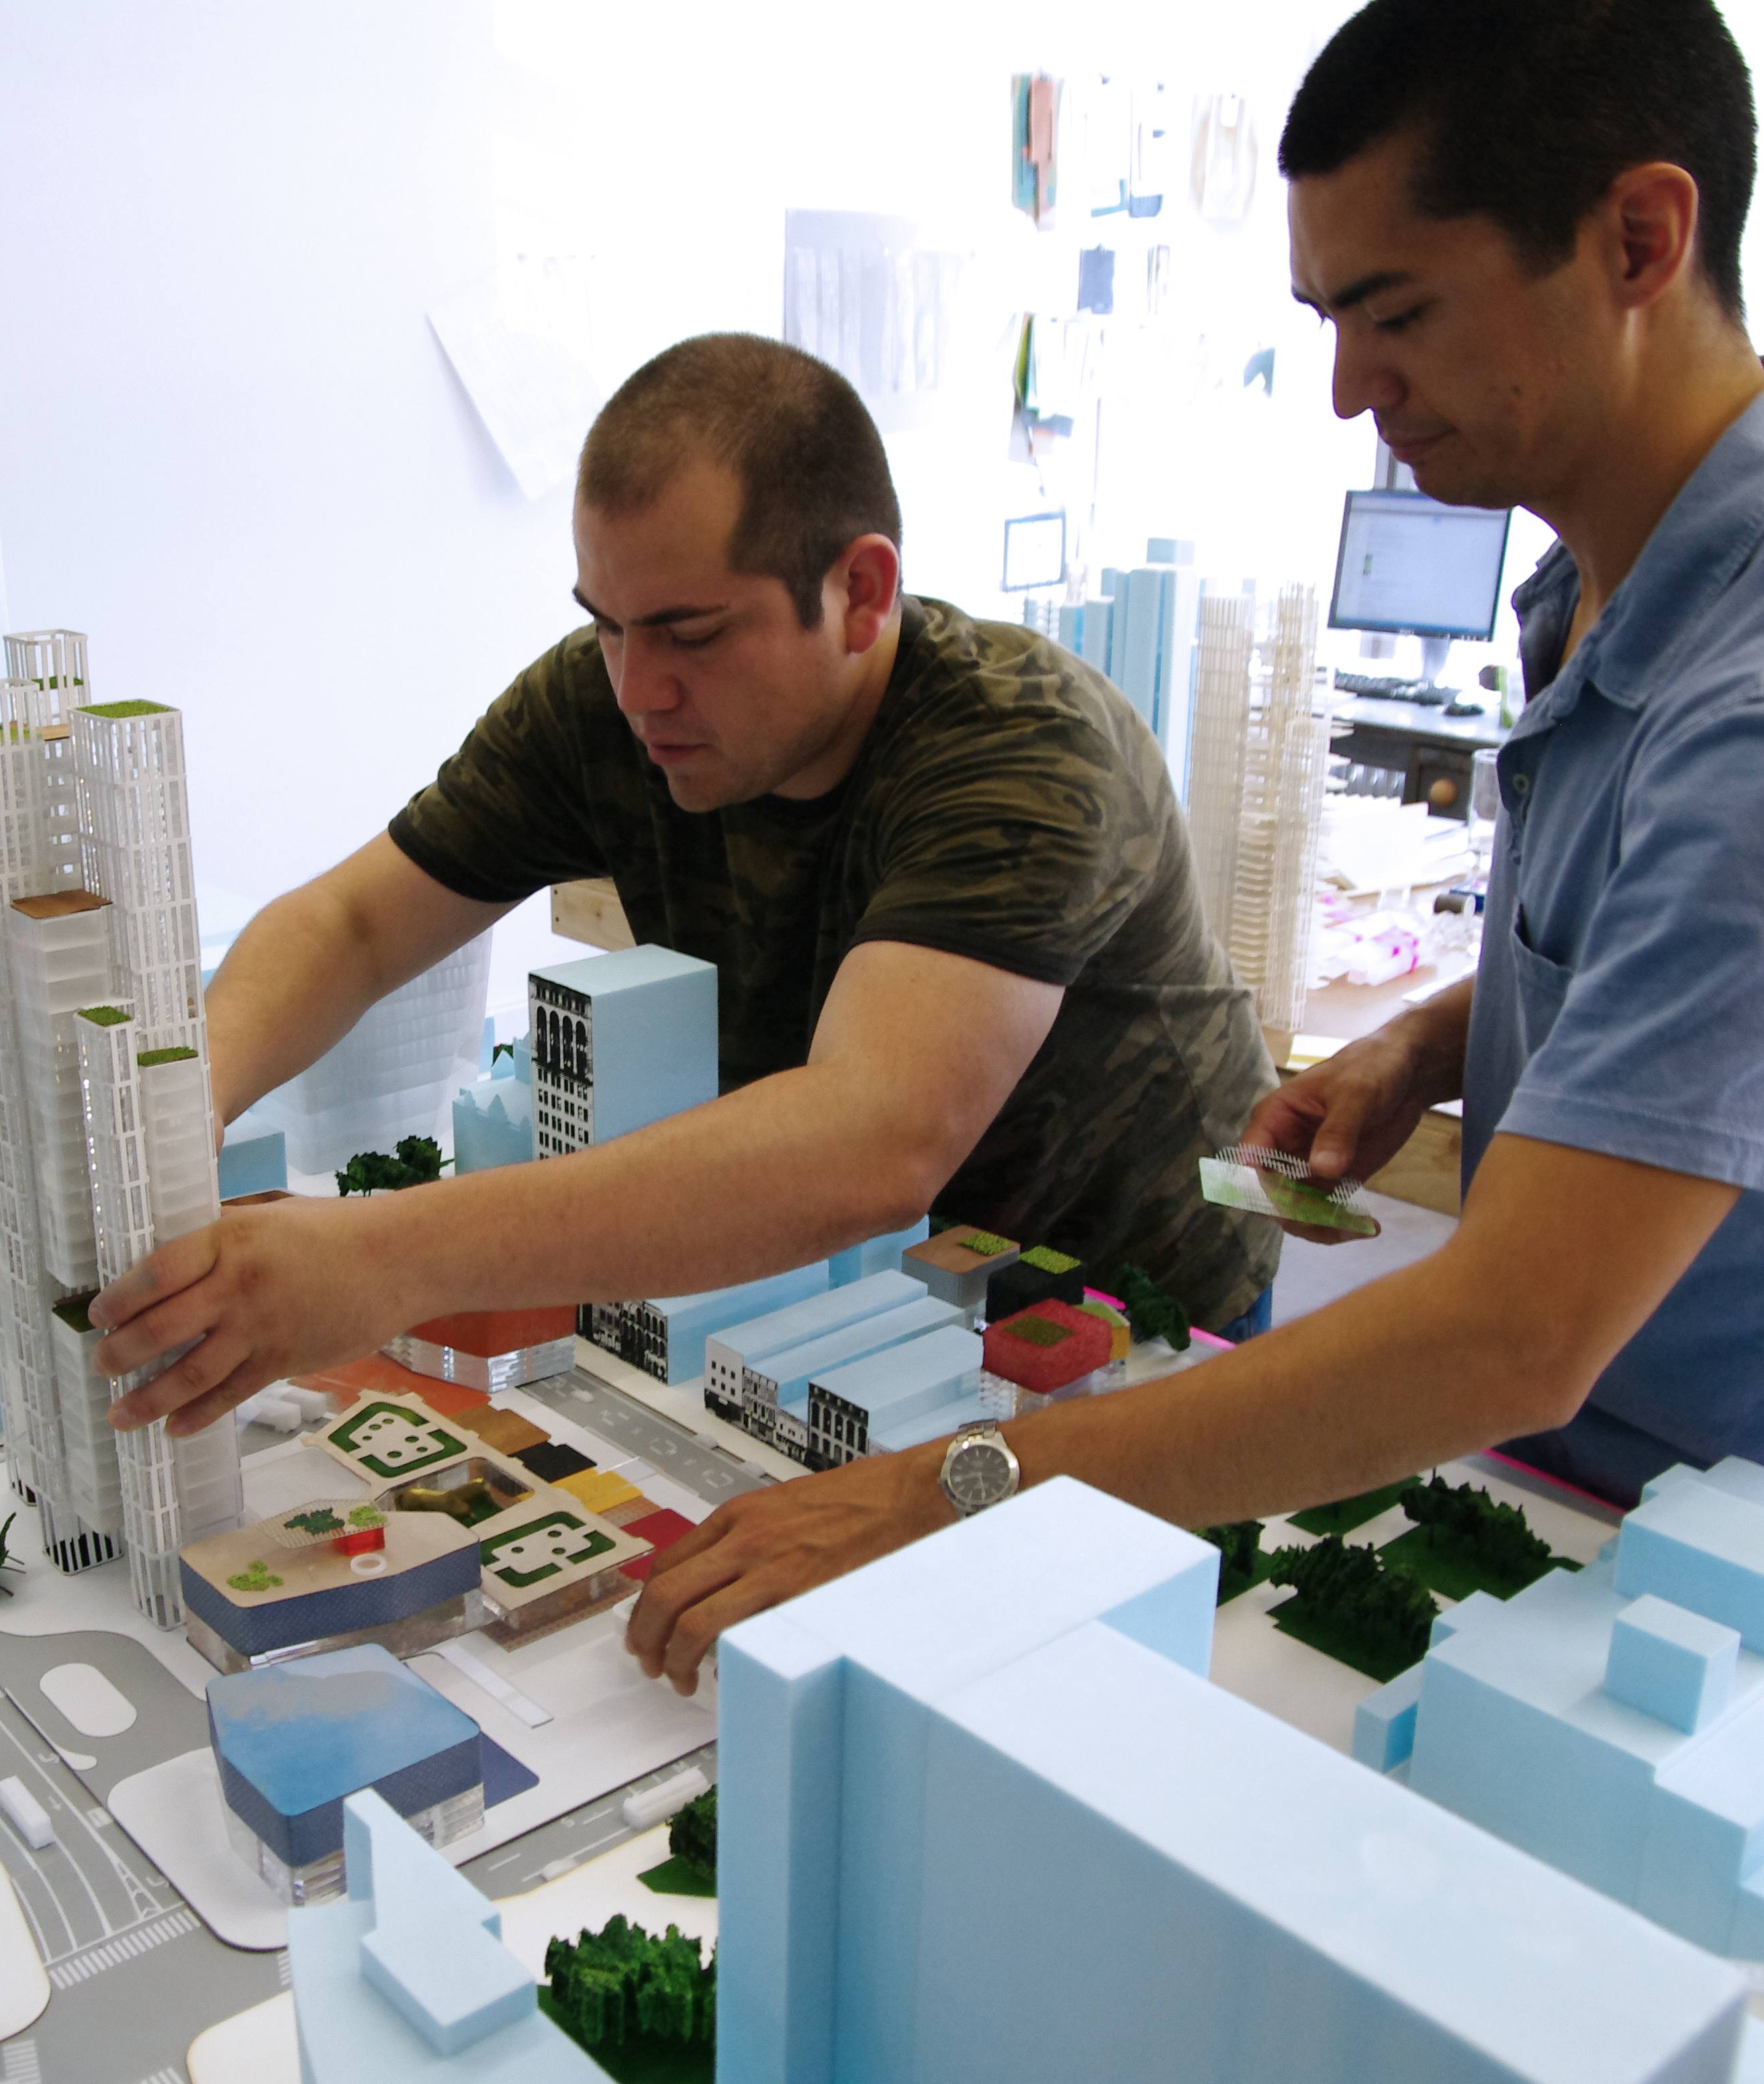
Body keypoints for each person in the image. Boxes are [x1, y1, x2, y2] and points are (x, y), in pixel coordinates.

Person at [620, 0, 1764, 1690]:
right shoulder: (1636, 573)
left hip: (1752, 1592)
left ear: (1637, 239)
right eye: (1324, 318)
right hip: (1575, 1499)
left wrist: (961, 1492)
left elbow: (1513, 1330)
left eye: (1395, 316)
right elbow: (1714, 955)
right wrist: (1433, 1039)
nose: (1345, 392)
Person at [83, 330, 1280, 1439]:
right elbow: (352, 923)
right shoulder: (606, 706)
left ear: (861, 593)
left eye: (692, 634)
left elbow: (872, 1139)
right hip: (854, 1298)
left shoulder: (1024, 748)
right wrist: (186, 1092)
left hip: (1132, 1310)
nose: (637, 687)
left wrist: (390, 1256)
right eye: (605, 624)